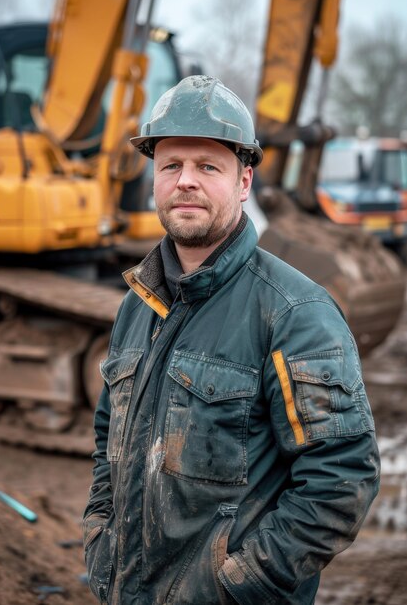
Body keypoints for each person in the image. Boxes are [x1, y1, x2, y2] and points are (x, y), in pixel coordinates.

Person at [83, 75, 380, 605]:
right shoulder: (138, 303)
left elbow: (340, 480)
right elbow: (110, 438)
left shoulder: (295, 312)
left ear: (244, 182)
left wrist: (237, 584)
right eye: (171, 165)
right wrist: (99, 535)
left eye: (207, 167)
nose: (185, 182)